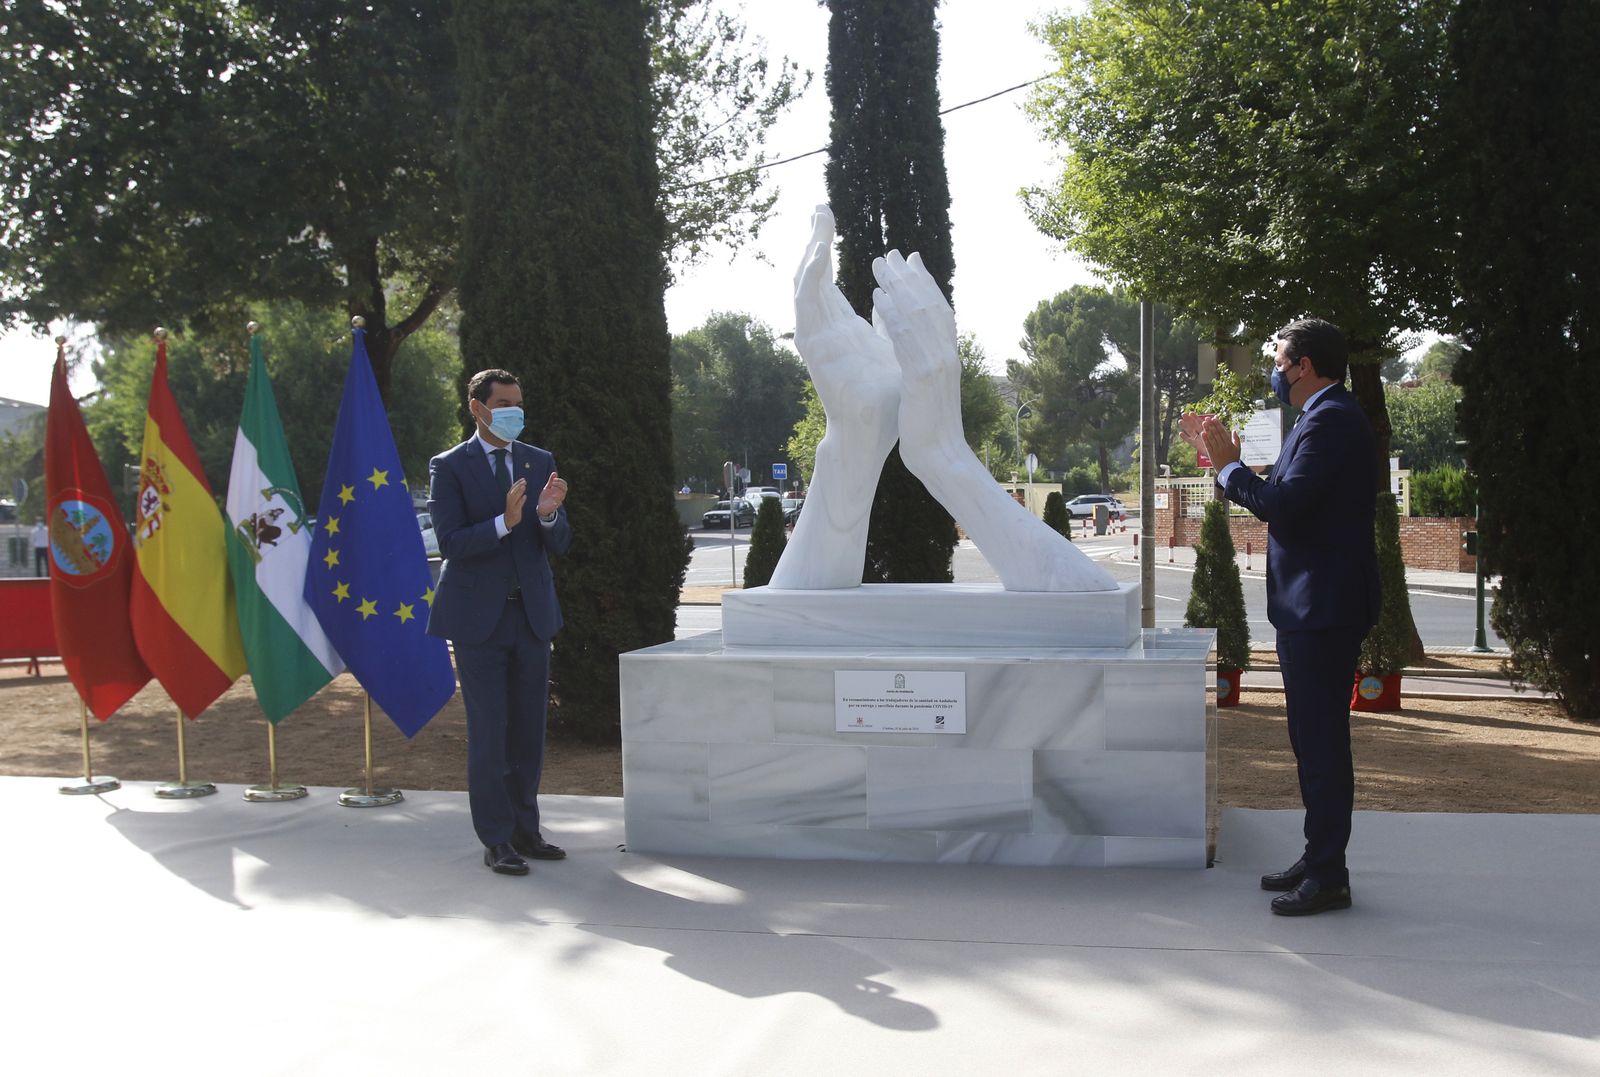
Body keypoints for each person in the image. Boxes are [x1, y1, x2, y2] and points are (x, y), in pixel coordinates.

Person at [1191, 318, 1379, 917]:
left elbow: (1286, 505)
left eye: (1278, 362)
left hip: (1323, 607)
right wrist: (1228, 467)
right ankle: (1318, 856)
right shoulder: (1319, 417)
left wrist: (1230, 470)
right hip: (1313, 606)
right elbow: (1289, 493)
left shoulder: (1331, 419)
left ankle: (1328, 874)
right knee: (1310, 739)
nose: (1274, 372)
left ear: (1304, 367)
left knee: (1321, 744)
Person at [426, 369, 571, 877]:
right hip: (478, 622)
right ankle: (497, 838)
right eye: (504, 403)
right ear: (478, 407)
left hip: (530, 617)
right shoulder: (449, 466)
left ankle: (527, 830)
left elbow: (559, 541)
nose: (515, 412)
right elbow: (450, 542)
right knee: (489, 732)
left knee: (529, 731)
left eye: (518, 403)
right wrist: (502, 523)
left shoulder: (539, 460)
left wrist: (548, 515)